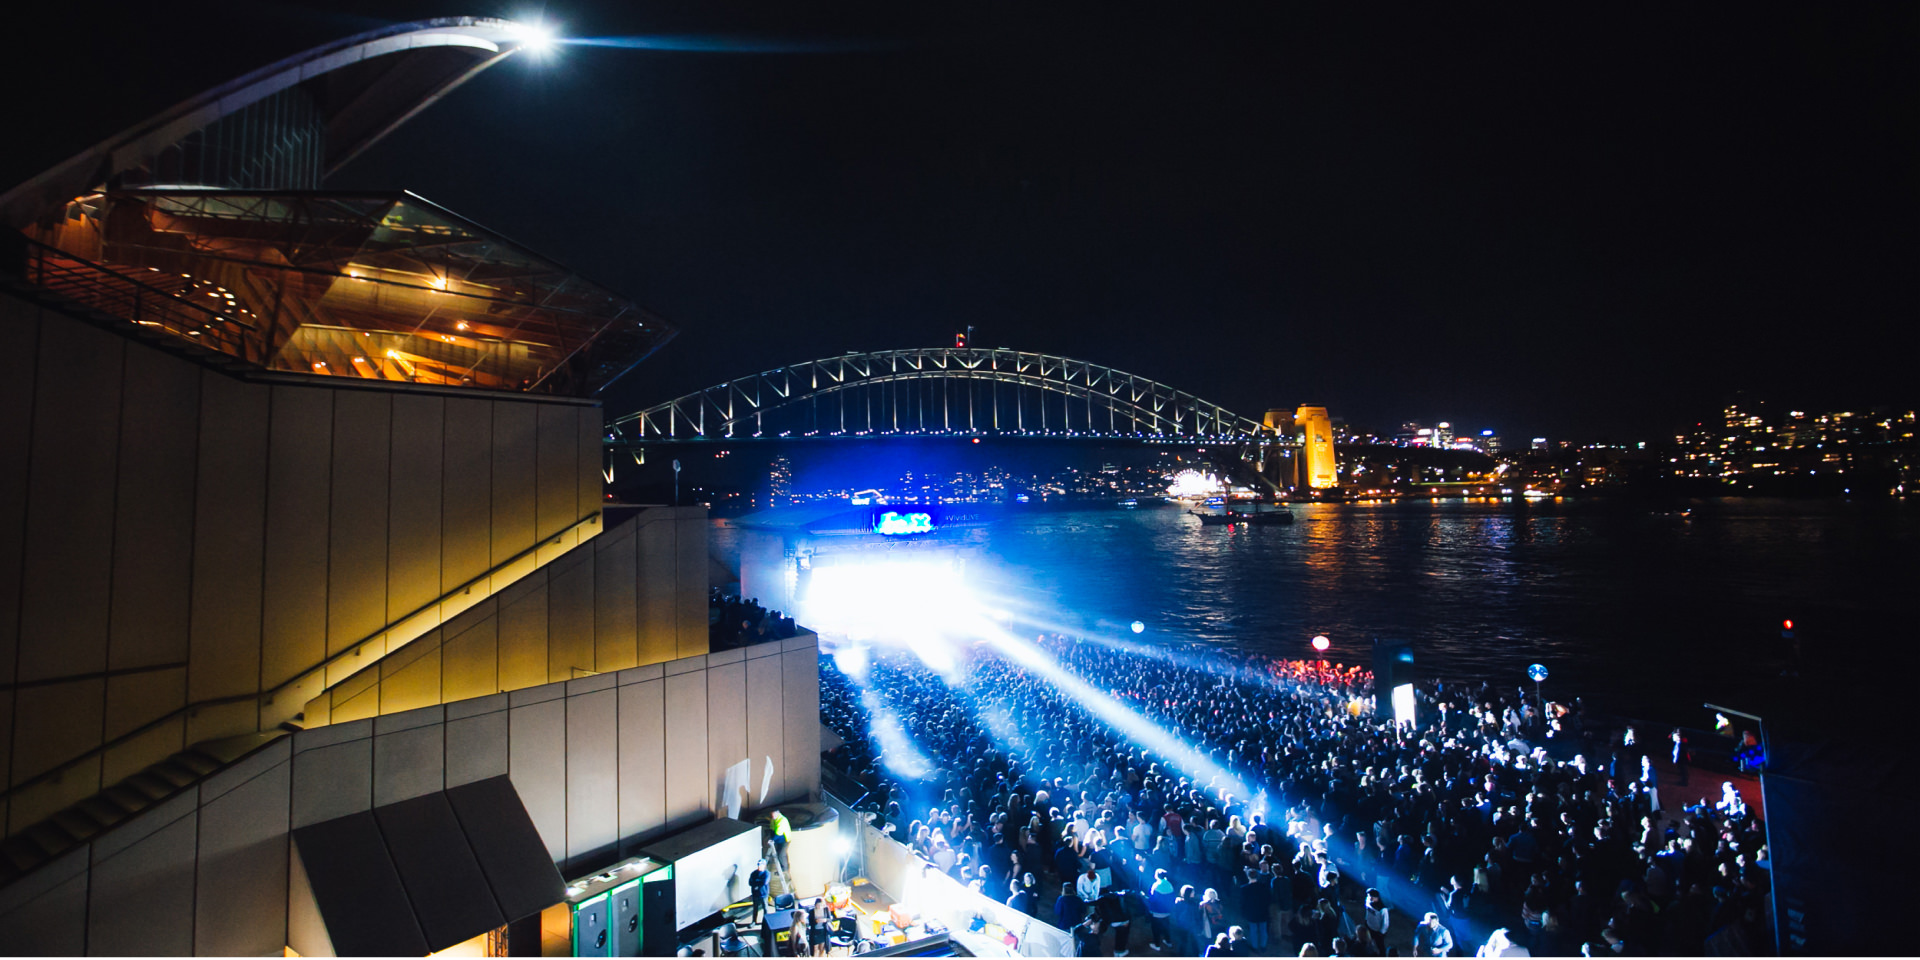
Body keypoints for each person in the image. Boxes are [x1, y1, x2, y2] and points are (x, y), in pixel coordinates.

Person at [748, 859, 771, 924]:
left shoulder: (767, 873)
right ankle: (754, 921)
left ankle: (765, 921)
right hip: (755, 894)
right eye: (758, 865)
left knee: (765, 908)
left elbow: (764, 882)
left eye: (761, 865)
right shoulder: (753, 873)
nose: (759, 866)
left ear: (764, 865)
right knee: (755, 908)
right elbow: (750, 883)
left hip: (764, 894)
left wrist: (755, 882)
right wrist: (758, 881)